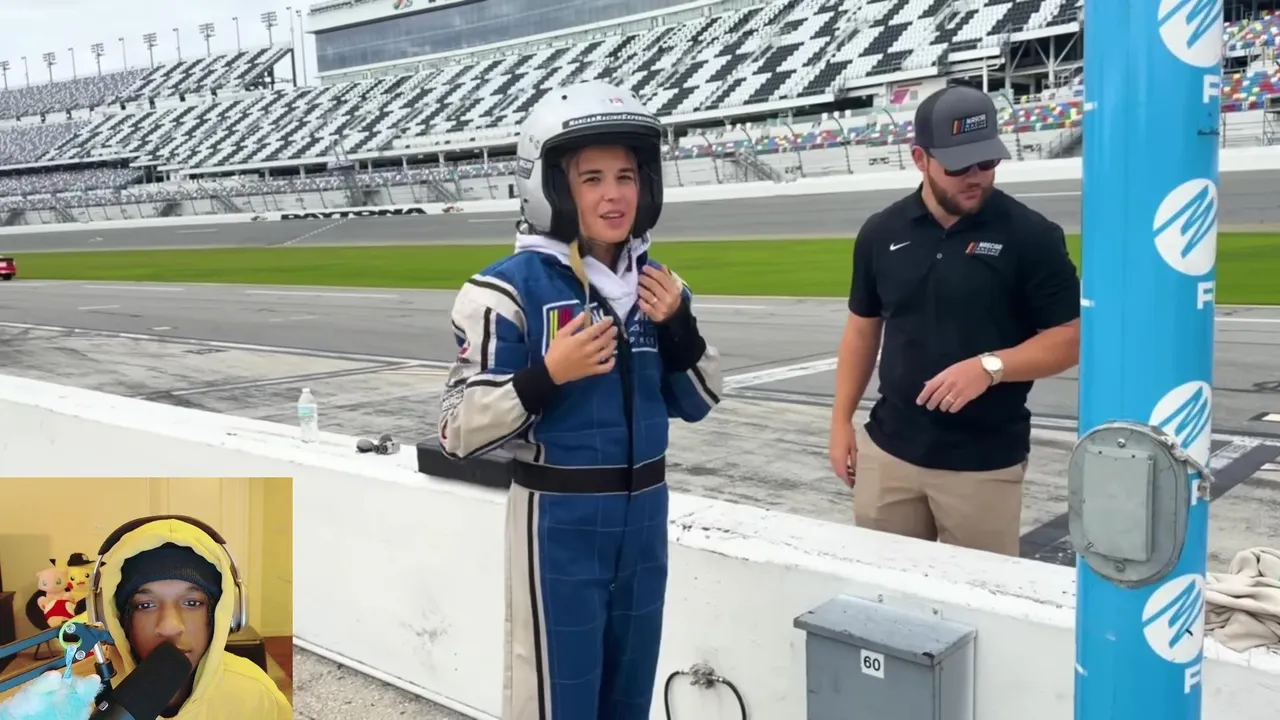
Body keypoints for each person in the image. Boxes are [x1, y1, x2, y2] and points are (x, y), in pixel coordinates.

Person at [437, 80, 723, 720]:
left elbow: (701, 400)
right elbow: (457, 431)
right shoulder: (505, 291)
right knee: (555, 699)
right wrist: (546, 375)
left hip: (646, 518)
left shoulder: (661, 286)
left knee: (630, 695)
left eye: (626, 176)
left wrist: (679, 328)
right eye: (592, 179)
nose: (614, 195)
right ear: (552, 187)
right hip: (557, 521)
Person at [828, 83, 1081, 557]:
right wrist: (841, 421)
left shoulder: (1032, 237)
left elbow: (1070, 338)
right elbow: (862, 328)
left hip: (983, 466)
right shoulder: (881, 232)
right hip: (889, 453)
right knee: (885, 588)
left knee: (981, 597)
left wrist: (989, 367)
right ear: (920, 159)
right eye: (959, 166)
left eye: (987, 162)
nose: (976, 177)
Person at [96, 517, 291, 718]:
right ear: (115, 620)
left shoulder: (258, 696)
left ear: (223, 614)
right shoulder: (80, 695)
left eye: (192, 603)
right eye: (145, 605)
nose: (170, 627)